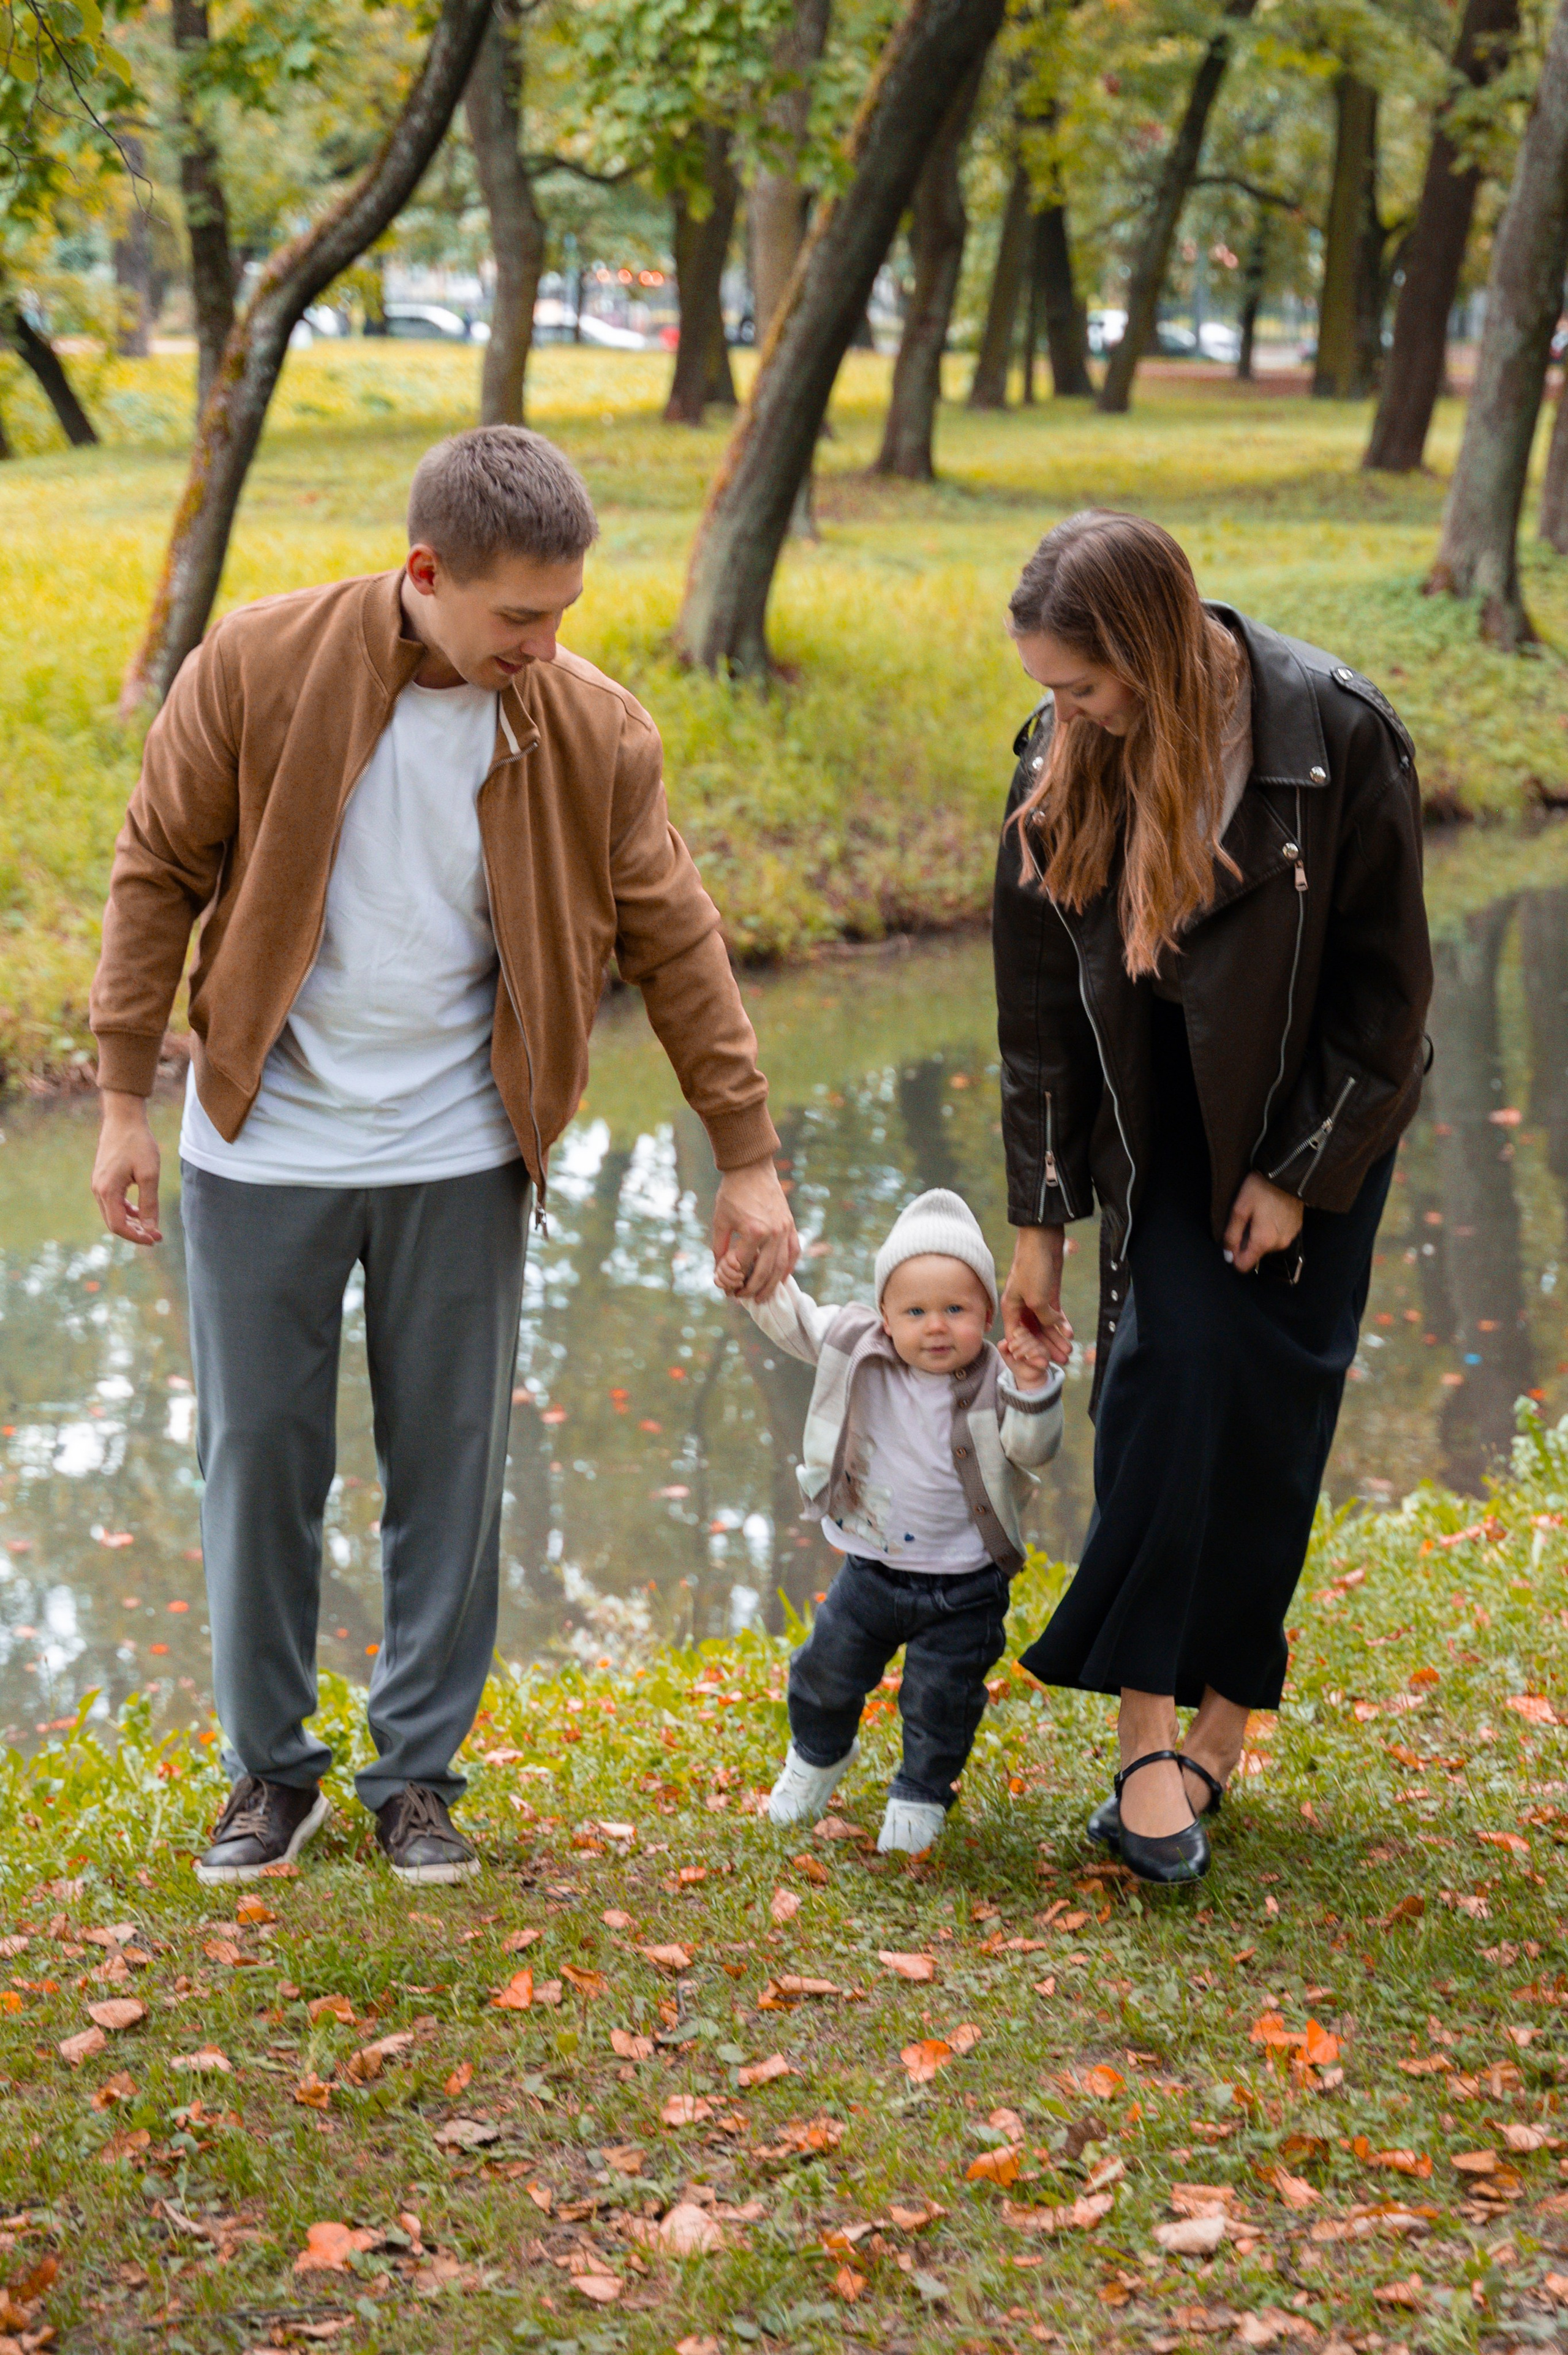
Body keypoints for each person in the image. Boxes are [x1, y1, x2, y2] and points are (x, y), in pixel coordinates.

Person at [88, 426, 797, 1886]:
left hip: (460, 1149)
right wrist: (118, 1097)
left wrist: (747, 1152)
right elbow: (156, 867)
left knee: (451, 1471)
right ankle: (269, 1773)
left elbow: (676, 938)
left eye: (563, 614)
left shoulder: (588, 729)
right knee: (261, 1460)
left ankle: (413, 1775)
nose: (542, 644)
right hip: (261, 1139)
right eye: (517, 616)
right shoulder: (257, 665)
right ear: (425, 574)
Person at [993, 511, 1431, 1886]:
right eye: (1049, 685)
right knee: (1159, 1382)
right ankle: (1139, 1738)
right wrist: (1038, 1226)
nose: (1060, 709)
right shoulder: (1059, 749)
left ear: (1148, 647)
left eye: (1080, 682)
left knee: (1270, 1415)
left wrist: (1299, 1173)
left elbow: (1389, 1003)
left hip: (1311, 1122)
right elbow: (1038, 1014)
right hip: (1154, 1117)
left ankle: (1221, 1728)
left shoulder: (1335, 734)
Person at [747, 1189, 1063, 1854]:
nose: (936, 1327)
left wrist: (1034, 1385)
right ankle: (818, 1756)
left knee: (939, 1702)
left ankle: (922, 1791)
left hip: (965, 1588)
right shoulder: (858, 1348)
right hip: (871, 1569)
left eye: (956, 1309)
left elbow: (1034, 1450)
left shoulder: (1000, 1374)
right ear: (885, 1315)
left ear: (985, 1312)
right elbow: (796, 1320)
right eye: (915, 1311)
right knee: (822, 1674)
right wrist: (755, 1282)